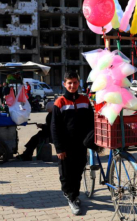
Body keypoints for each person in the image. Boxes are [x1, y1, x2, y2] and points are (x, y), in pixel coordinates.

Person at [51, 71, 94, 216]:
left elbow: (91, 122)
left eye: (75, 82)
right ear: (64, 84)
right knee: (65, 175)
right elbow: (54, 127)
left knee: (77, 173)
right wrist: (59, 148)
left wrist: (91, 140)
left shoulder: (85, 100)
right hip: (65, 146)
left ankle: (74, 196)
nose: (72, 85)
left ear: (79, 83)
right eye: (69, 83)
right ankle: (70, 196)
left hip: (81, 145)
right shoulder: (60, 102)